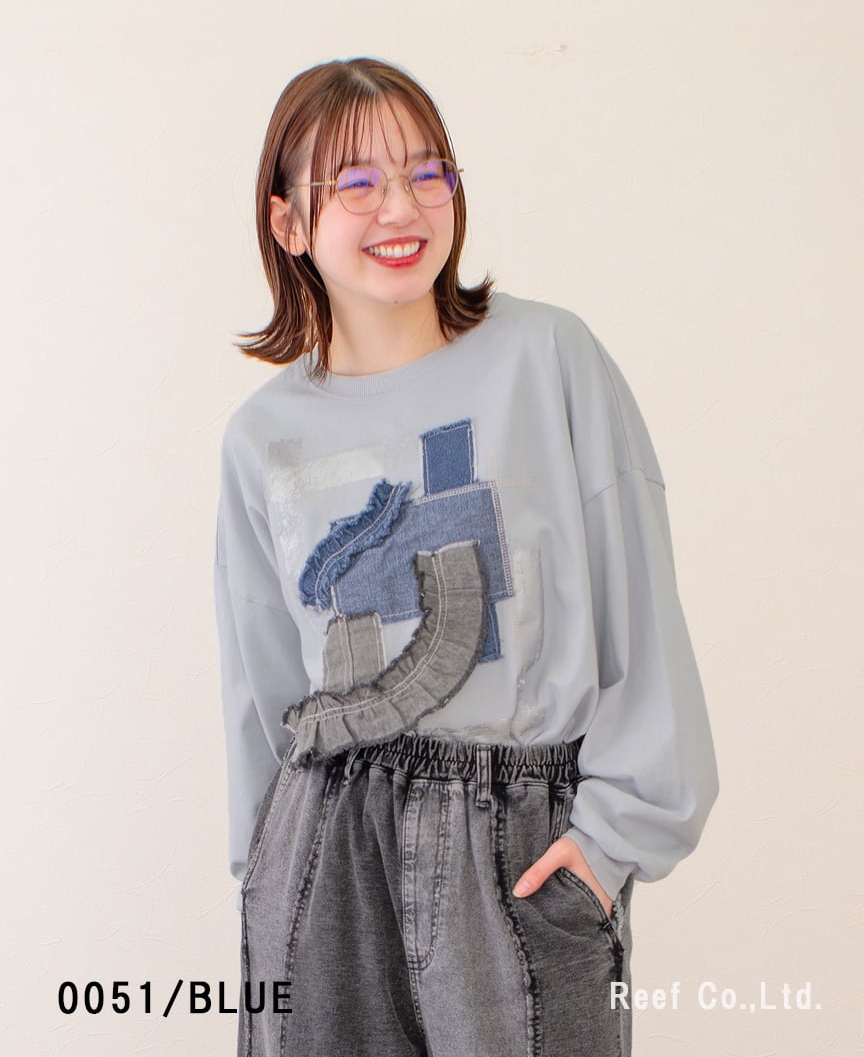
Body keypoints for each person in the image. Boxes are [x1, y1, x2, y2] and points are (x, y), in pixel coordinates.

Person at [213, 55, 719, 1057]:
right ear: (289, 223)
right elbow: (260, 690)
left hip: (515, 838)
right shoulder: (261, 436)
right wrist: (265, 873)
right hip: (324, 849)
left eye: (426, 172)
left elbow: (642, 611)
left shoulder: (549, 358)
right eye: (357, 182)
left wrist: (611, 843)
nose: (401, 207)